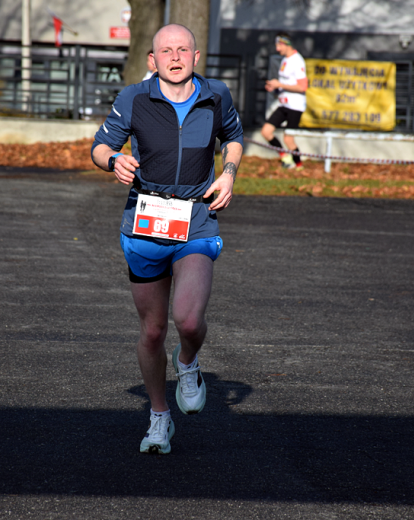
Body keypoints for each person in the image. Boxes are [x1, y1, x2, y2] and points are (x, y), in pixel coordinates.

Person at [92, 23, 243, 454]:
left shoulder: (217, 95)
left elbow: (233, 137)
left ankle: (189, 361)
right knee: (153, 330)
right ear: (152, 60)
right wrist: (113, 161)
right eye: (166, 51)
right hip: (145, 221)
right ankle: (159, 417)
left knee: (189, 320)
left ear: (196, 57)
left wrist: (229, 174)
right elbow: (100, 146)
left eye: (183, 50)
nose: (175, 57)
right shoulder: (133, 98)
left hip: (196, 217)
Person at [261, 32, 308, 169]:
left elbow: (302, 87)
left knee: (288, 139)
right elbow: (286, 84)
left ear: (285, 44)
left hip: (295, 106)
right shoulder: (285, 60)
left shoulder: (297, 60)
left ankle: (299, 165)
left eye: (278, 45)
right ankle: (286, 159)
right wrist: (274, 87)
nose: (277, 49)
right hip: (284, 104)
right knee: (266, 131)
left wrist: (279, 85)